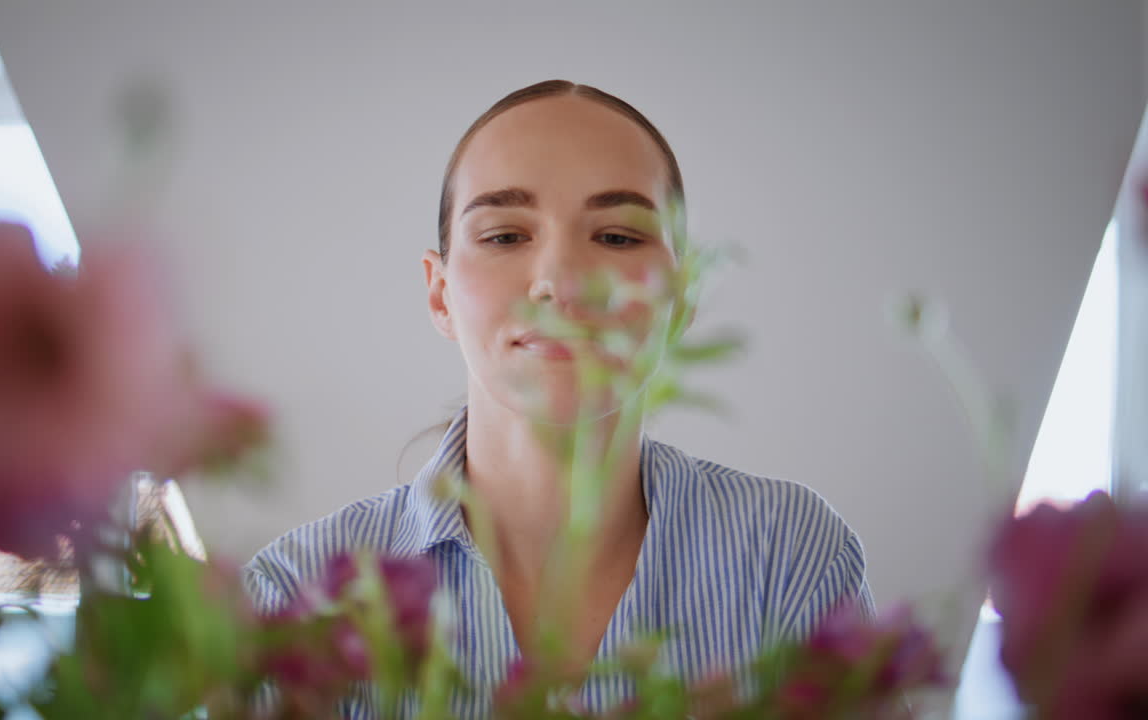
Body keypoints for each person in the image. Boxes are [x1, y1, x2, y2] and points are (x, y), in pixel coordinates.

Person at [242, 79, 875, 717]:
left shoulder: (789, 556)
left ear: (680, 299)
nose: (561, 282)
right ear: (439, 294)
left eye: (619, 238)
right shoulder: (295, 598)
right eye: (505, 236)